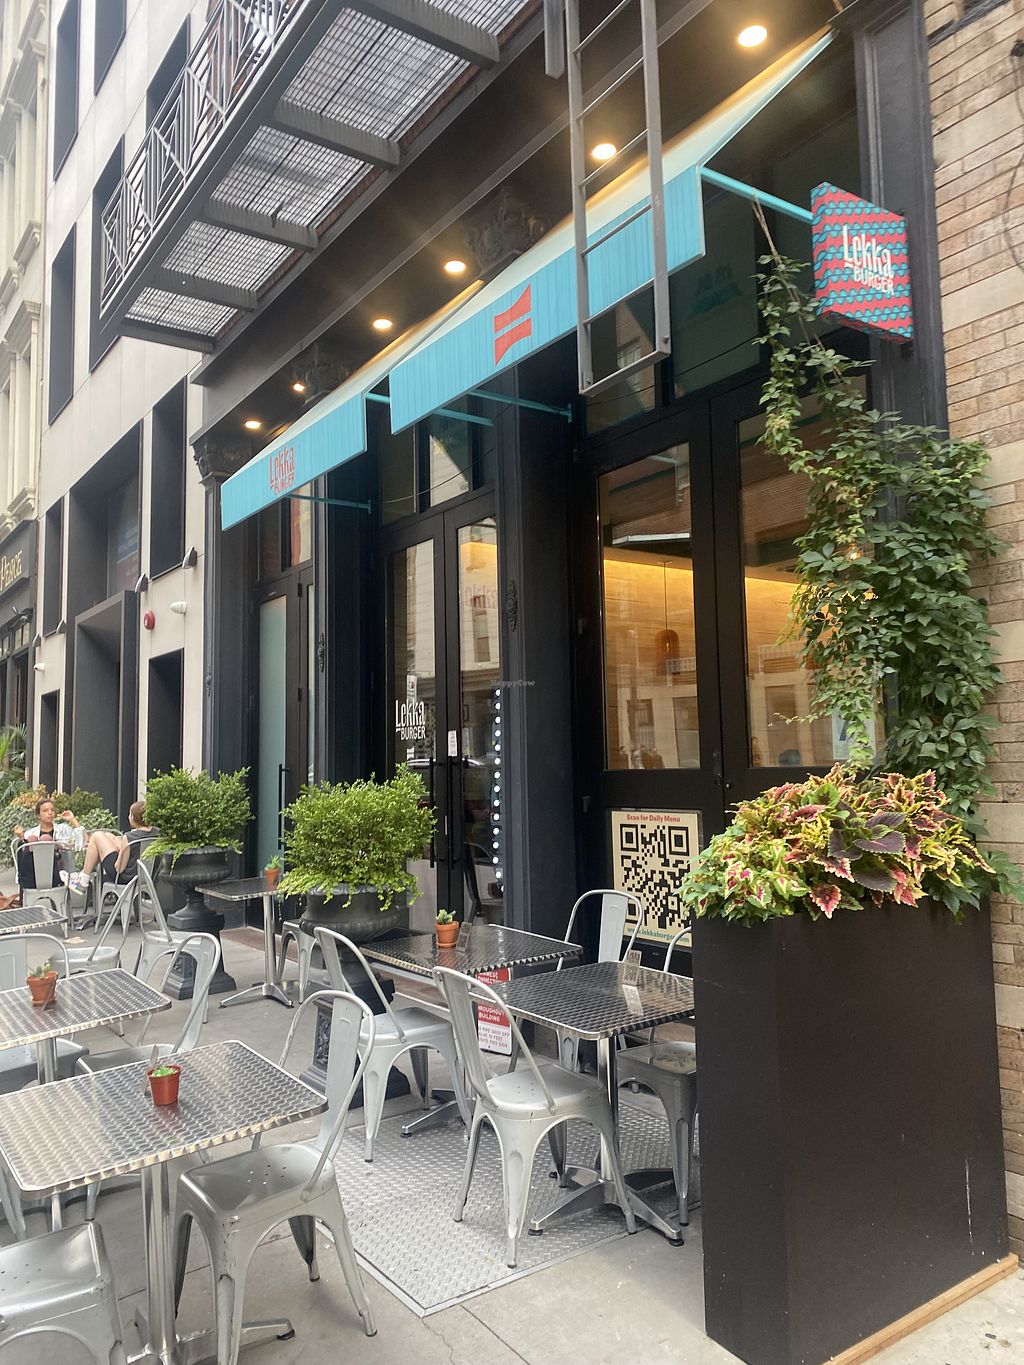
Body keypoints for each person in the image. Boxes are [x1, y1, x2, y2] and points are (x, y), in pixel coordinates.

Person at [61, 800, 157, 893]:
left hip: (125, 878)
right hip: (147, 876)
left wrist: (119, 854)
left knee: (97, 836)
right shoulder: (156, 833)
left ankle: (83, 880)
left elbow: (119, 868)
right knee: (108, 836)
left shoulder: (129, 837)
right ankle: (83, 875)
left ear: (133, 817)